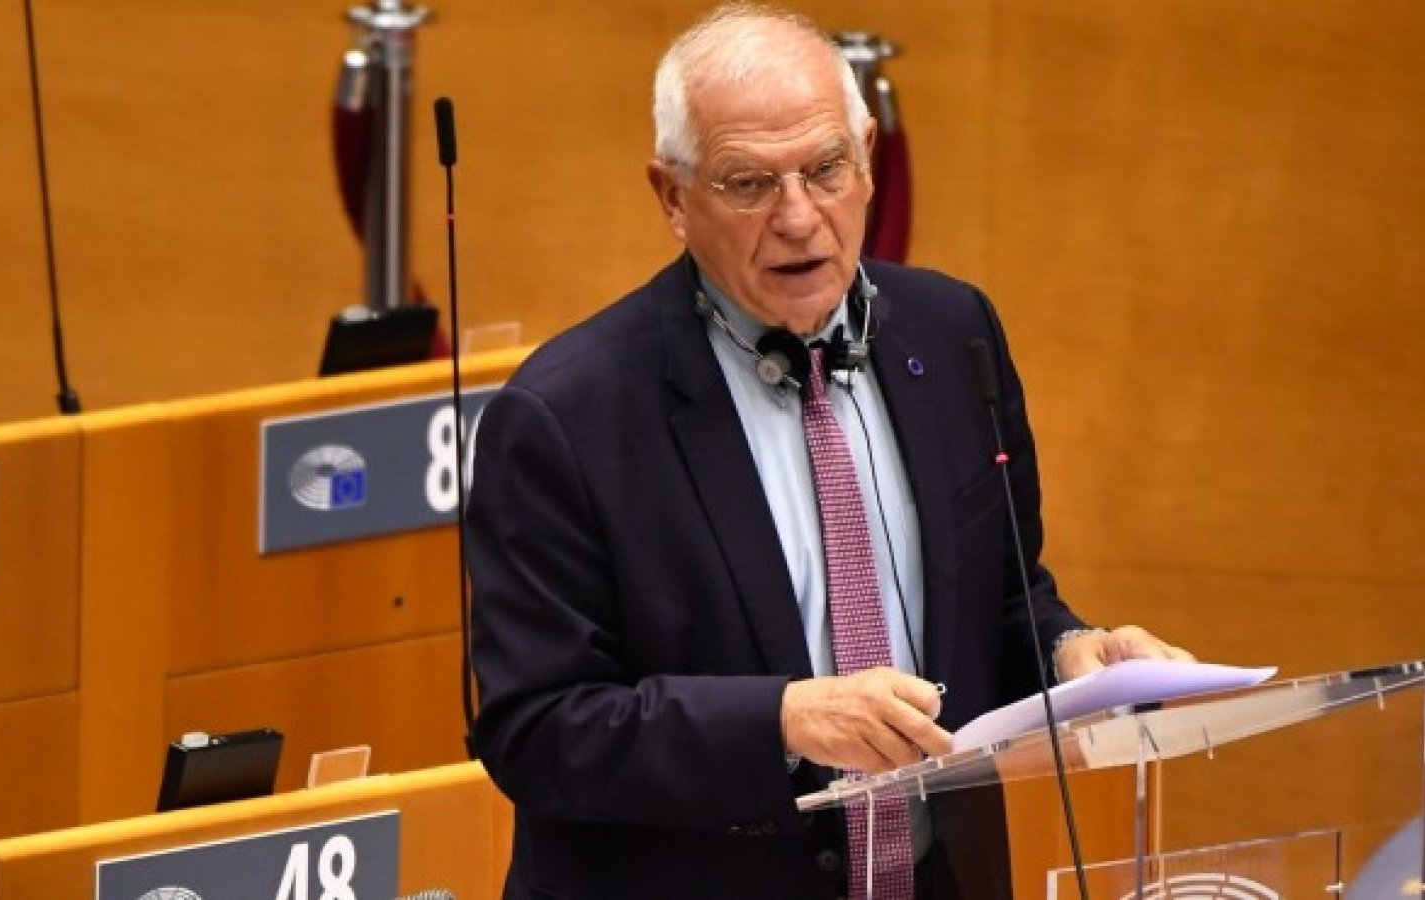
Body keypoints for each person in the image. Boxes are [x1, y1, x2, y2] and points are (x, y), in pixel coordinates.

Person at [467, 4, 1192, 898]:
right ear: (672, 197)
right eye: (748, 183)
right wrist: (780, 719)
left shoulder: (953, 333)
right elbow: (535, 729)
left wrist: (1070, 655)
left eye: (825, 169)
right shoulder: (566, 416)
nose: (799, 217)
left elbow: (1002, 600)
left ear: (869, 161)